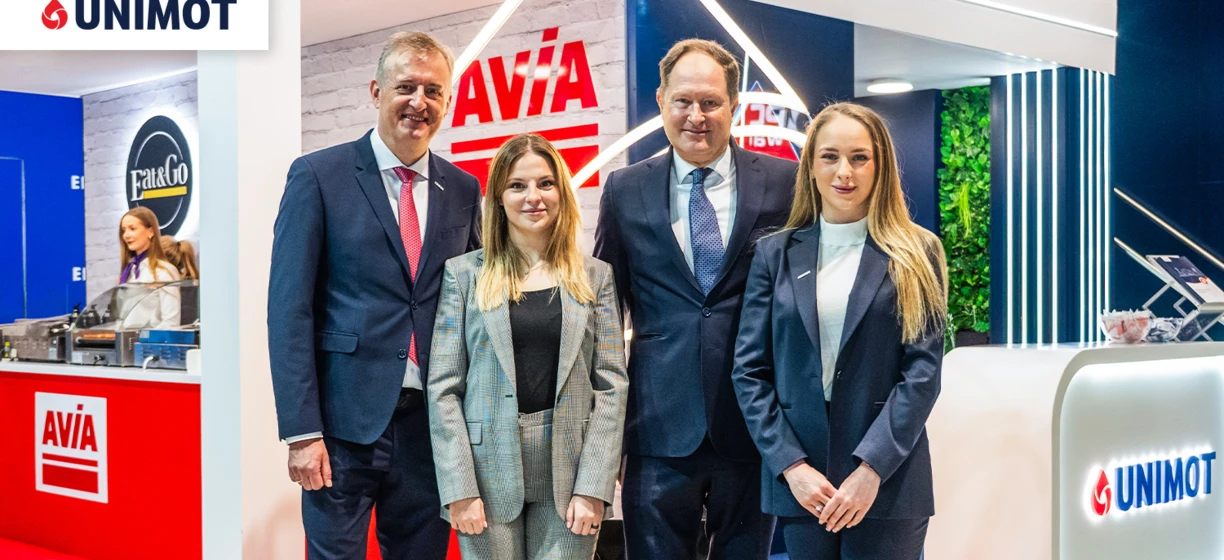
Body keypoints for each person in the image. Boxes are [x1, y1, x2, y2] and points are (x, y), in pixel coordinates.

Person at [267, 31, 482, 560]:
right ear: (376, 90)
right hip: (342, 428)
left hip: (431, 427)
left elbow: (473, 305)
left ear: (448, 101)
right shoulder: (319, 176)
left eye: (433, 91)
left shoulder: (462, 188)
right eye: (406, 86)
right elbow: (289, 310)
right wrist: (302, 432)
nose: (419, 102)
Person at [593, 38, 797, 559]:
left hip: (754, 426)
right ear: (661, 100)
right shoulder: (623, 189)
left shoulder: (785, 183)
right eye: (683, 101)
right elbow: (605, 312)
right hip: (655, 428)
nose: (696, 116)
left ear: (734, 104)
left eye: (710, 102)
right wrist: (605, 432)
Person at [731, 102, 948, 560]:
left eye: (859, 157)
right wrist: (791, 466)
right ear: (810, 167)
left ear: (880, 166)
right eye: (830, 156)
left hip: (888, 480)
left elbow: (922, 374)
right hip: (804, 482)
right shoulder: (774, 254)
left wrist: (872, 469)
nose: (844, 171)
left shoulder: (917, 251)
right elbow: (749, 373)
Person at [428, 134, 628, 560]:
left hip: (571, 476)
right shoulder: (463, 275)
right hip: (485, 475)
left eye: (545, 183)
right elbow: (444, 389)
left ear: (562, 193)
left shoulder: (596, 277)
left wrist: (594, 487)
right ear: (499, 198)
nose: (533, 197)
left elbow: (612, 388)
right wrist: (459, 488)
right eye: (517, 185)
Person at [116, 207, 180, 329]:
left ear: (150, 232)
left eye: (132, 229)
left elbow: (171, 322)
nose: (126, 235)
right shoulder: (129, 271)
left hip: (150, 340)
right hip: (126, 338)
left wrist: (145, 337)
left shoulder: (164, 271)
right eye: (124, 230)